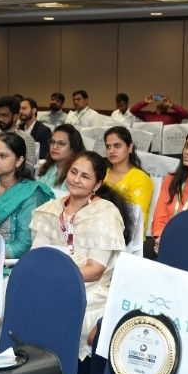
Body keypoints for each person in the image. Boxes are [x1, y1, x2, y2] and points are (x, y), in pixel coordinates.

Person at [30, 151, 132, 359]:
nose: (76, 179)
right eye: (73, 172)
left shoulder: (105, 214)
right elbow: (37, 256)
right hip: (50, 277)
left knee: (56, 304)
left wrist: (58, 277)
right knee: (12, 290)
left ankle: (55, 366)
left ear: (97, 184)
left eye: (85, 176)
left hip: (89, 285)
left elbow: (95, 271)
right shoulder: (51, 209)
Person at [0, 132, 54, 259]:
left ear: (19, 161)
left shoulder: (31, 194)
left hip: (4, 262)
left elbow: (22, 246)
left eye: (2, 156)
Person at [103, 126, 153, 234]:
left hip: (127, 236)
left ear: (130, 147)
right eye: (108, 147)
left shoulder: (141, 178)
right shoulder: (101, 173)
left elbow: (135, 219)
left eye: (117, 146)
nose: (111, 151)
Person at [0, 95, 37, 168]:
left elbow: (29, 168)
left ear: (15, 116)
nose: (0, 119)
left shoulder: (26, 138)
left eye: (4, 115)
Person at [37, 123, 85, 190]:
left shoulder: (76, 176)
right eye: (52, 142)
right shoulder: (47, 166)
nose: (54, 147)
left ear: (73, 149)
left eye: (61, 143)